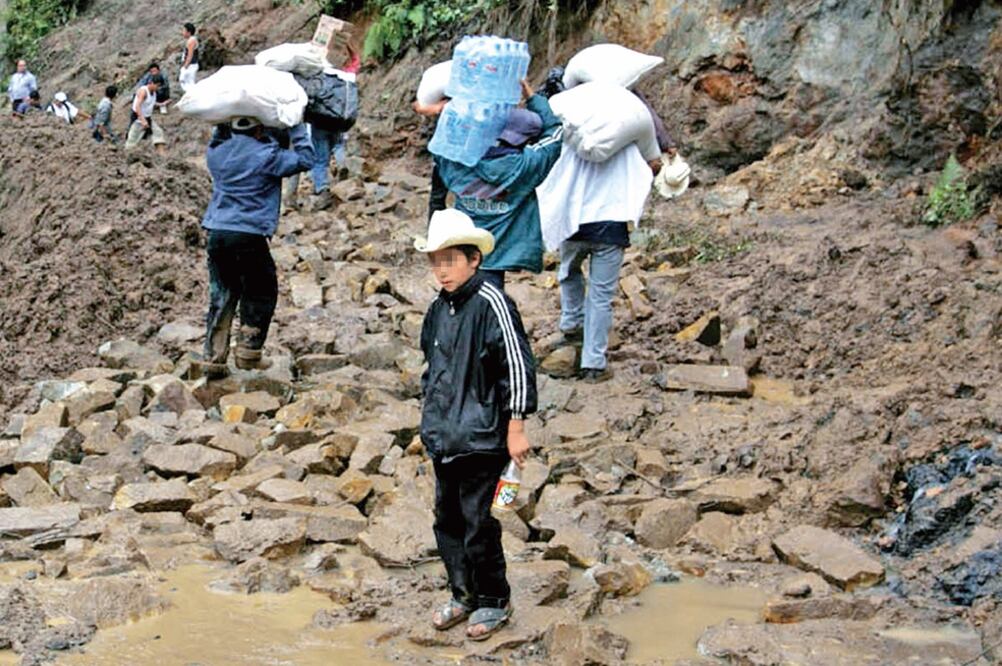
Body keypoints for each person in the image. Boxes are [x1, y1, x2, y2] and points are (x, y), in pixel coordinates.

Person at [415, 208, 536, 642]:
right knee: (446, 519)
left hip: (484, 437)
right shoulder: (437, 309)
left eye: (450, 260)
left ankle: (493, 600)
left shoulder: (493, 303)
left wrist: (516, 428)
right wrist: (428, 424)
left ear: (474, 260)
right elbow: (433, 371)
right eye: (436, 261)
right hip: (445, 436)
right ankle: (462, 594)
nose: (442, 270)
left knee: (479, 520)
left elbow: (518, 367)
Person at [538, 93, 672, 383]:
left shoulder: (572, 134)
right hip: (611, 225)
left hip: (575, 220)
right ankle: (593, 364)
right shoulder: (629, 138)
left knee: (568, 272)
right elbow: (653, 164)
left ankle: (571, 323)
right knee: (601, 296)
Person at [196, 118, 315, 377]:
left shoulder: (217, 153)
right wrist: (296, 127)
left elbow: (218, 136)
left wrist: (222, 122)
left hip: (217, 232)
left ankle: (213, 358)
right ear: (260, 129)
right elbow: (306, 160)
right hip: (249, 233)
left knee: (223, 292)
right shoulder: (268, 155)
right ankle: (248, 352)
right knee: (261, 290)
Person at [431, 80, 563, 291]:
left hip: (464, 254)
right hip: (500, 255)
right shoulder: (525, 167)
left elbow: (439, 146)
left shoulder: (458, 163)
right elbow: (555, 134)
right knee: (490, 307)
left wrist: (455, 111)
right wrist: (532, 98)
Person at [126, 75, 167, 153]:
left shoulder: (153, 93)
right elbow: (138, 106)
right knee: (132, 140)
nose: (158, 88)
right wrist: (143, 120)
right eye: (157, 86)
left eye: (159, 86)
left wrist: (161, 104)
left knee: (158, 133)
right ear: (151, 83)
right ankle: (127, 155)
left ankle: (162, 155)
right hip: (138, 119)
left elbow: (150, 103)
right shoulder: (143, 91)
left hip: (148, 118)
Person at [179, 23, 200, 92]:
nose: (183, 33)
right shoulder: (190, 40)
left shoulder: (191, 41)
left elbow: (190, 55)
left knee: (189, 83)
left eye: (184, 31)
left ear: (189, 32)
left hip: (191, 65)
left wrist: (185, 66)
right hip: (190, 65)